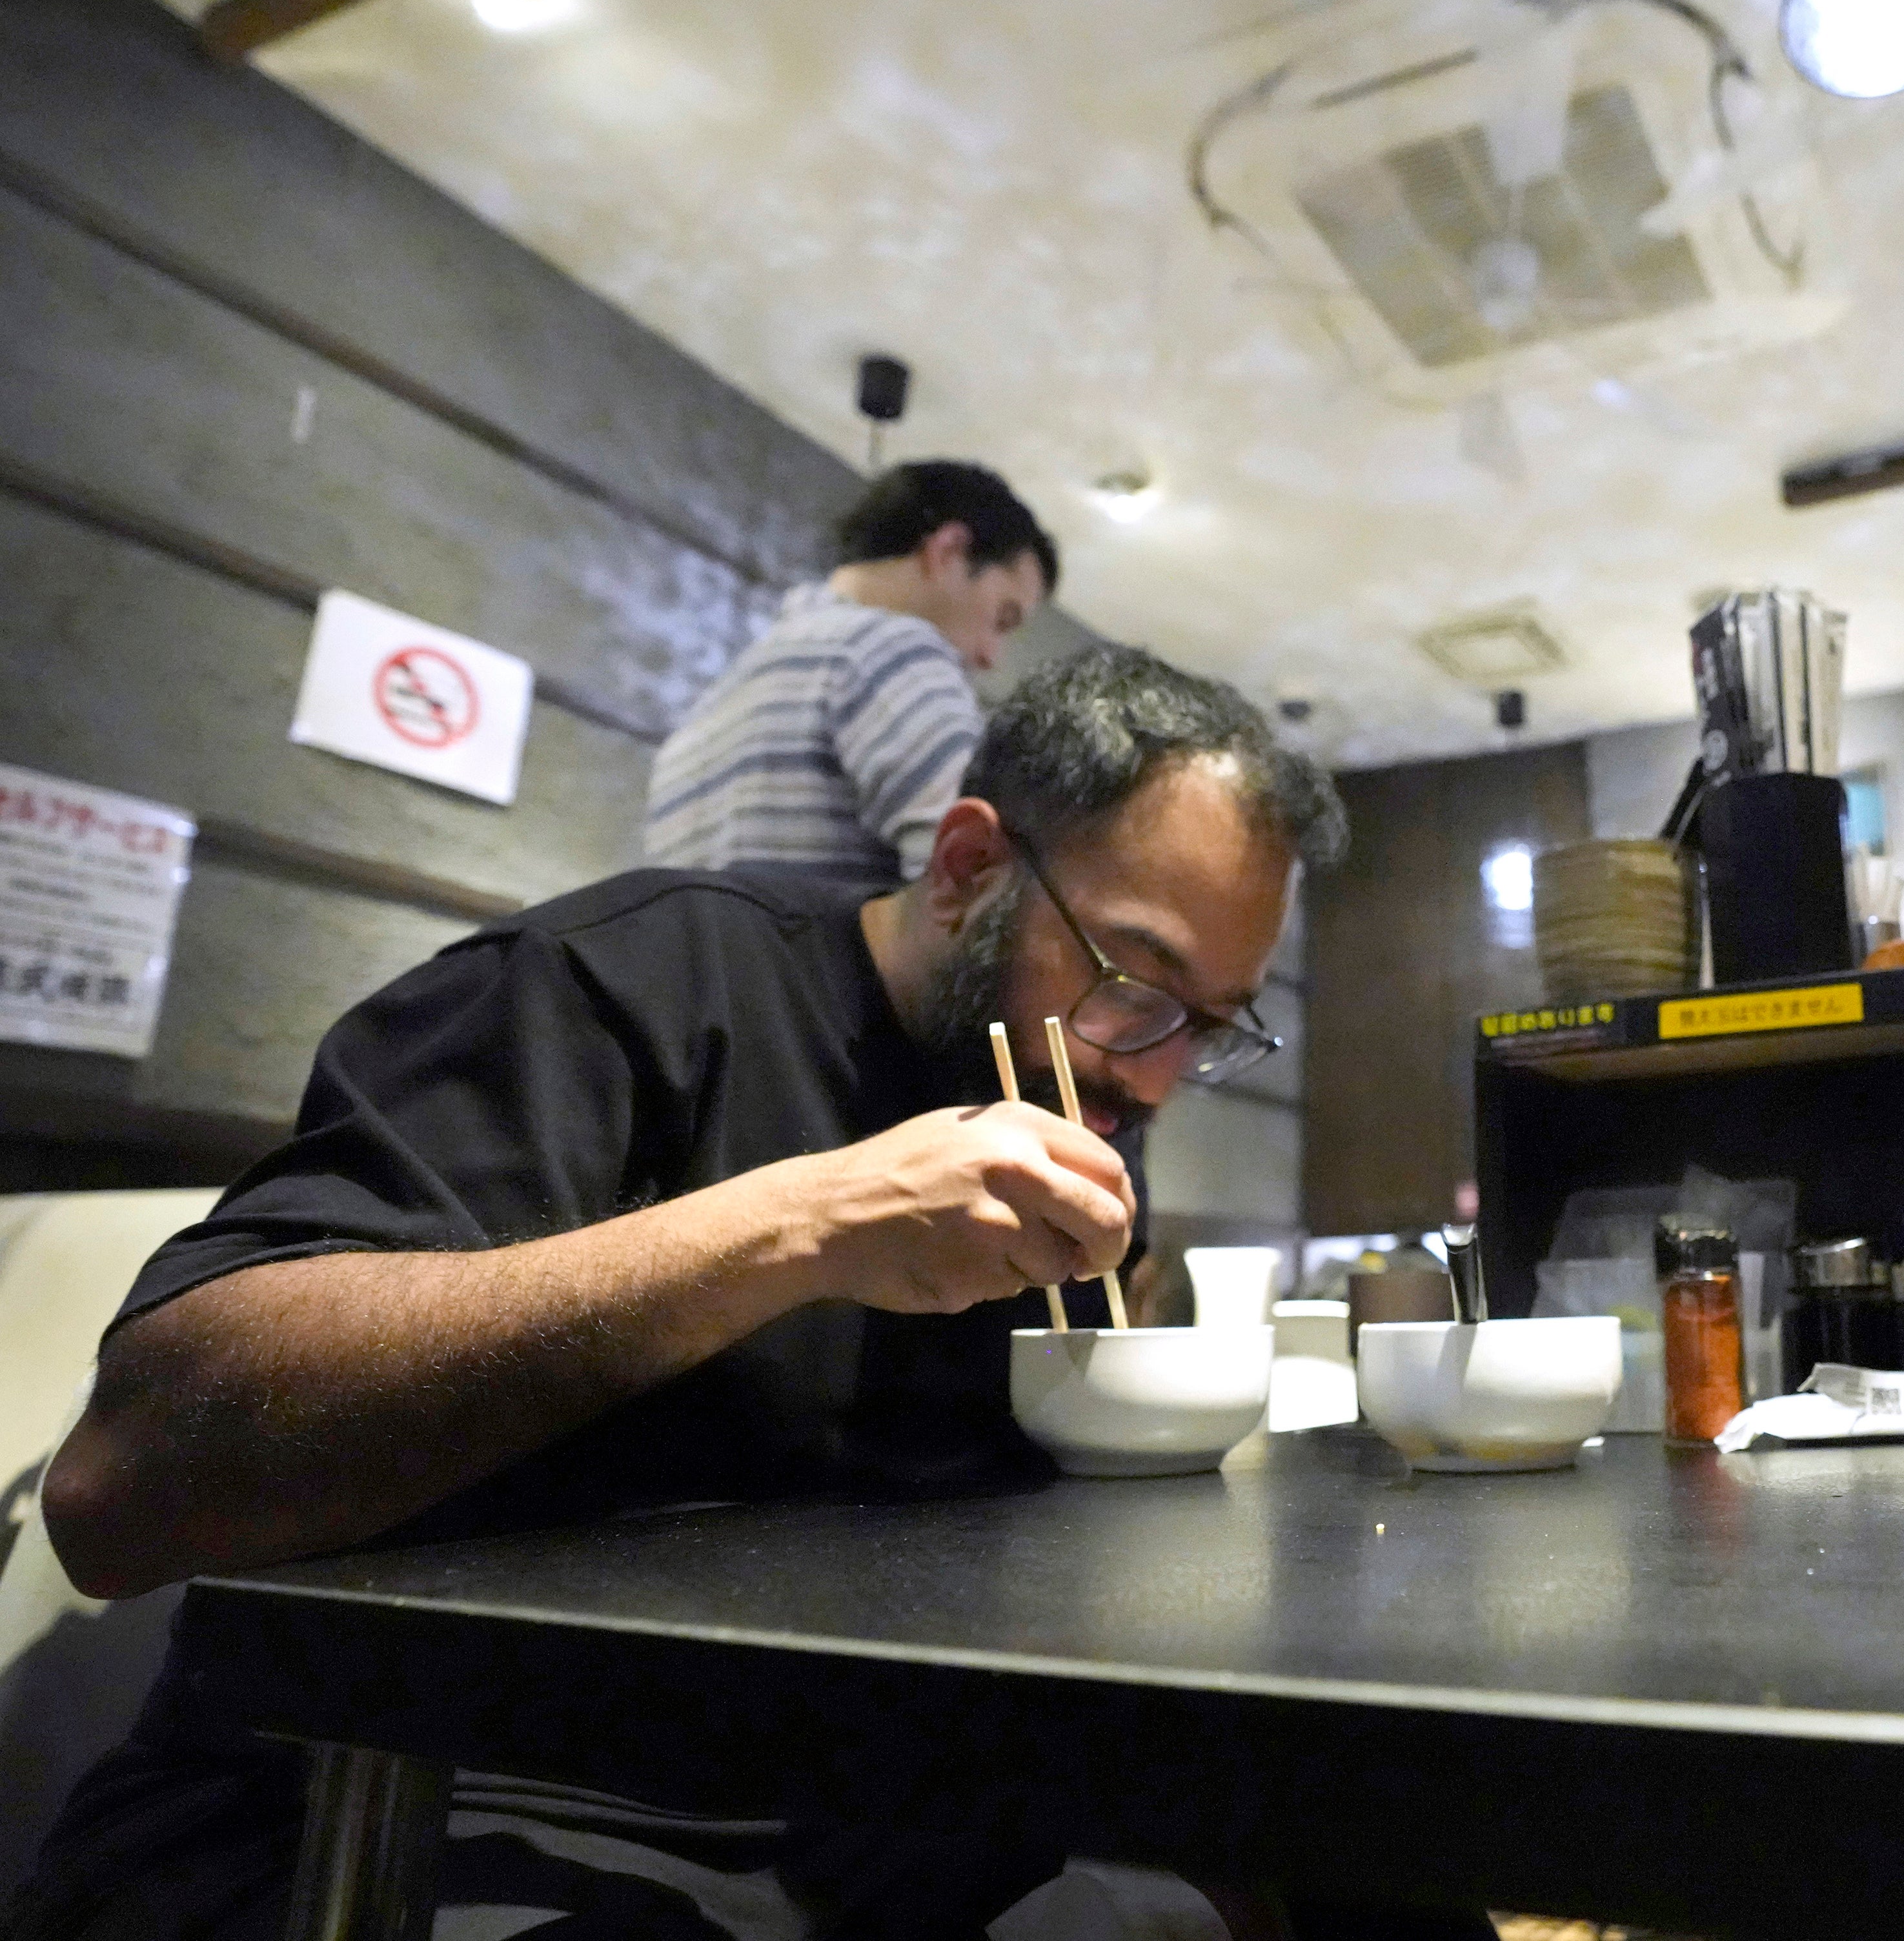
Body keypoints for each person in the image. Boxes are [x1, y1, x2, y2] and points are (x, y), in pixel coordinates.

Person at [8, 649, 1379, 1940]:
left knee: (1357, 1866)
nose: (1154, 1073)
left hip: (838, 1812)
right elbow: (125, 1481)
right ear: (969, 865)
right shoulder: (625, 983)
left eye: (1214, 1023)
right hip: (393, 1800)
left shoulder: (1070, 1107)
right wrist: (797, 1220)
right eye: (1137, 982)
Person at [646, 459, 1064, 887]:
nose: (991, 656)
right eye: (1003, 617)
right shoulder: (891, 652)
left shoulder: (702, 714)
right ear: (948, 551)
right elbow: (973, 889)